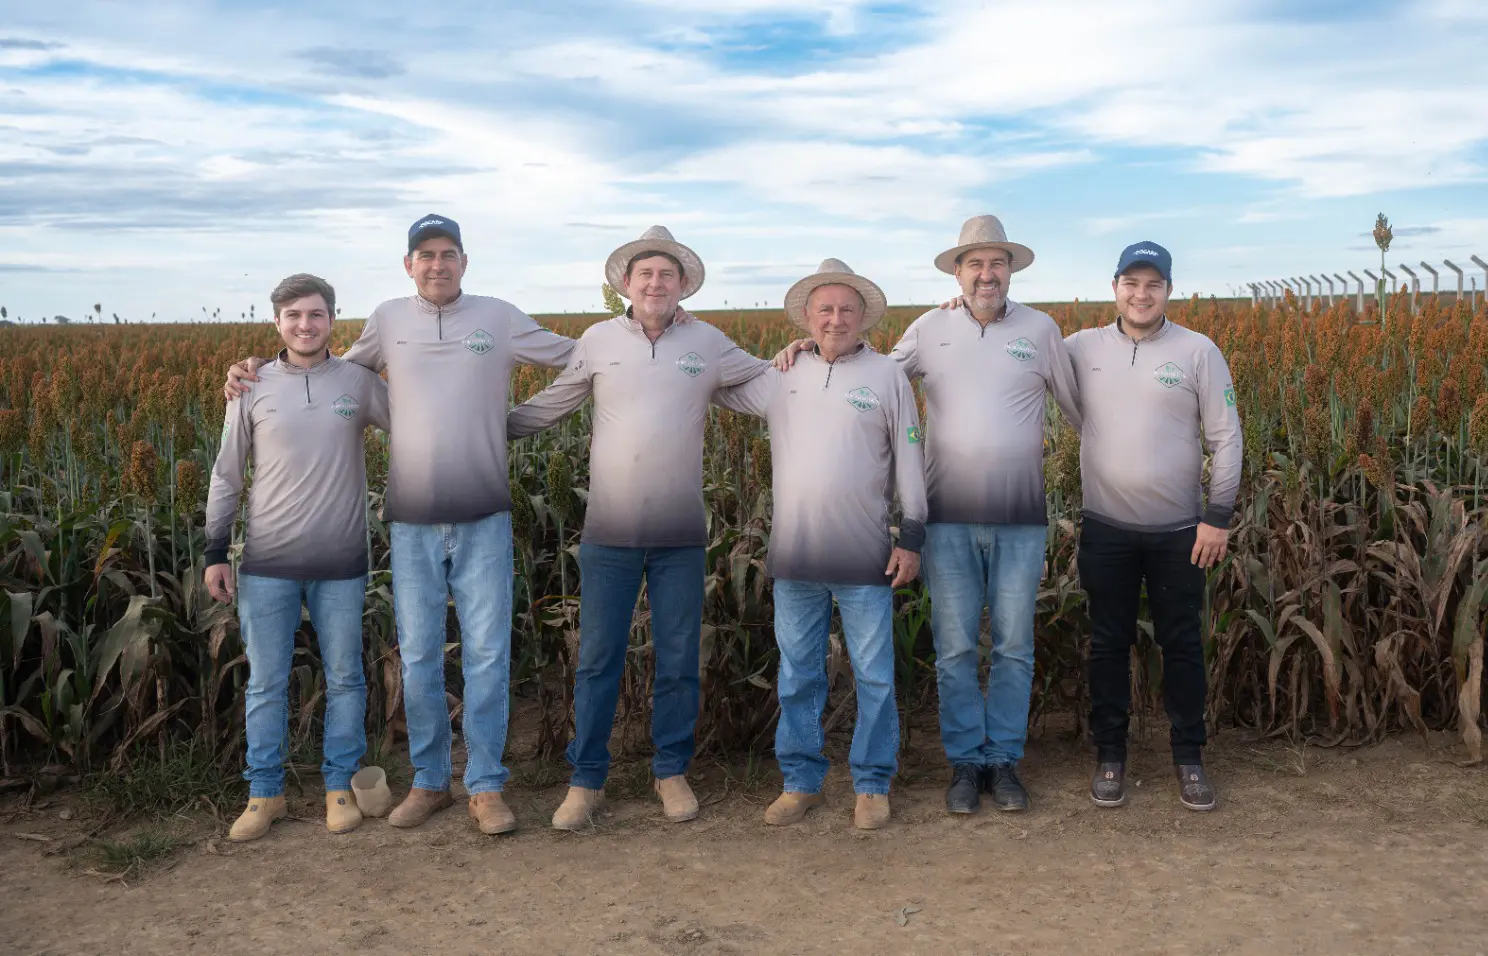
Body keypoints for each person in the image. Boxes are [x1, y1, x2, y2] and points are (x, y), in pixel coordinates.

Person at [224, 215, 574, 834]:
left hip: (484, 517)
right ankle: (432, 781)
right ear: (407, 264)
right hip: (410, 524)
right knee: (417, 657)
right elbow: (328, 369)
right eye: (424, 255)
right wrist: (258, 367)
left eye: (447, 253)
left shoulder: (499, 316)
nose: (436, 264)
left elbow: (582, 362)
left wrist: (517, 420)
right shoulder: (387, 320)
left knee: (489, 653)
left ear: (464, 260)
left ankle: (487, 786)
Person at [776, 215, 1081, 814]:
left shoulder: (1043, 331)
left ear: (1010, 270)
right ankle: (966, 762)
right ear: (958, 272)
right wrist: (812, 349)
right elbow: (871, 377)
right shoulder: (928, 328)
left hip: (1022, 519)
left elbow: (1079, 408)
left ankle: (1005, 762)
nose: (986, 274)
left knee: (1016, 645)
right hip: (946, 520)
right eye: (975, 264)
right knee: (956, 648)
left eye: (996, 263)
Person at [505, 226, 770, 829]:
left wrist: (806, 353)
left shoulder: (709, 342)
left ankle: (670, 771)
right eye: (645, 274)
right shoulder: (598, 340)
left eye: (667, 275)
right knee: (598, 657)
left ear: (683, 286)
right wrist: (482, 431)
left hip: (680, 535)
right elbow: (555, 400)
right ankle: (585, 779)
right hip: (609, 533)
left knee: (679, 656)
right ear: (626, 283)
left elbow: (768, 377)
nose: (655, 283)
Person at [717, 259, 927, 830]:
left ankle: (872, 783)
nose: (835, 319)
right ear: (807, 317)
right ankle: (801, 780)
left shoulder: (887, 377)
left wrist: (911, 537)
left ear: (864, 319)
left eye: (846, 310)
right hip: (796, 556)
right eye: (825, 310)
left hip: (866, 554)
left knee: (874, 674)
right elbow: (711, 381)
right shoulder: (780, 375)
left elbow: (911, 459)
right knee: (799, 672)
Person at [205, 274, 390, 842]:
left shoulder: (358, 383)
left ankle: (339, 786)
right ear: (277, 322)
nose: (305, 325)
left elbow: (415, 430)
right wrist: (215, 550)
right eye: (293, 316)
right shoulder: (253, 386)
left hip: (340, 562)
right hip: (265, 562)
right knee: (265, 682)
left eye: (315, 315)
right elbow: (227, 472)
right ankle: (265, 793)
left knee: (344, 678)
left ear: (333, 319)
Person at [1065, 241, 1240, 812]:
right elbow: (1011, 357)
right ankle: (1110, 756)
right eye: (1132, 283)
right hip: (1106, 529)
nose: (1142, 295)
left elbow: (1227, 437)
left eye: (1154, 285)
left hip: (1179, 533)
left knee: (1182, 645)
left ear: (1168, 290)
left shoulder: (1198, 351)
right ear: (1114, 286)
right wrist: (956, 311)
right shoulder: (1080, 348)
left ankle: (1189, 758)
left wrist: (1216, 518)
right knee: (1108, 646)